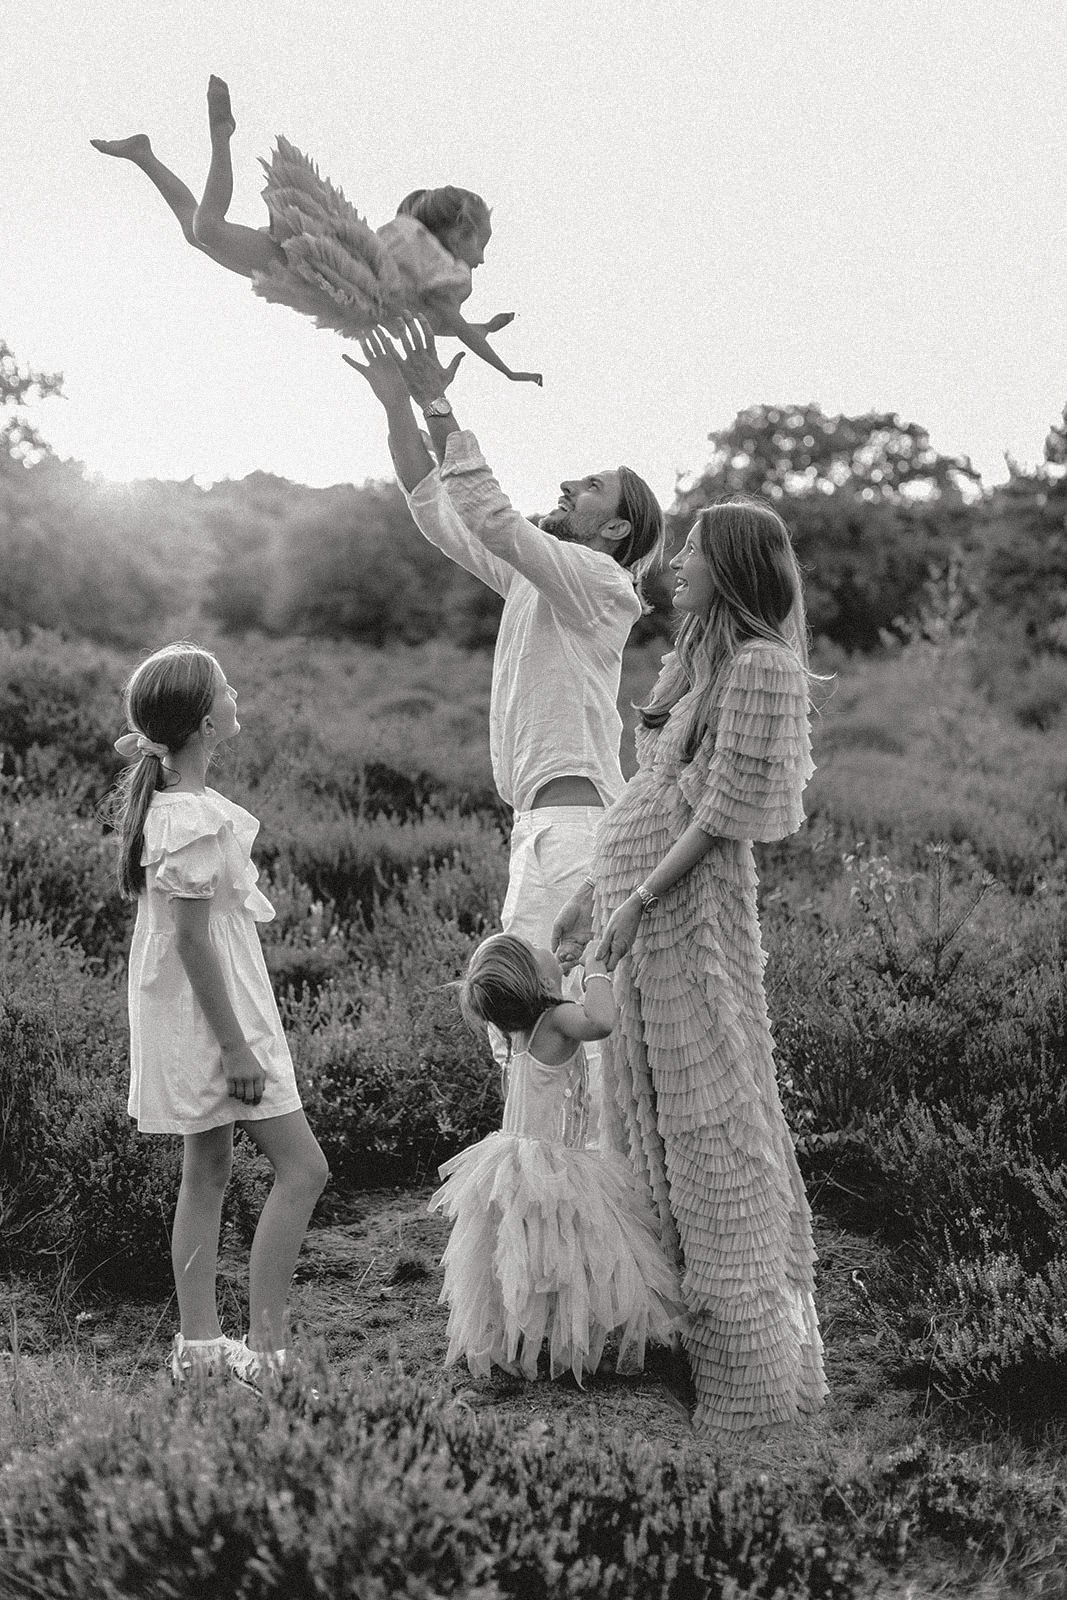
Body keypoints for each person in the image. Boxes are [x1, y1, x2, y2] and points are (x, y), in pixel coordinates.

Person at [551, 502, 829, 1436]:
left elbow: (718, 819)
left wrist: (636, 901)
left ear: (735, 566)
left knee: (714, 1128)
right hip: (639, 925)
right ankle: (671, 1339)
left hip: (687, 930)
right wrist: (594, 894)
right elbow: (651, 791)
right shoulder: (703, 658)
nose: (676, 564)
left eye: (695, 553)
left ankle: (746, 1377)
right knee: (646, 1124)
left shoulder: (761, 668)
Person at [344, 315, 664, 1103]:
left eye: (589, 487)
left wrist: (442, 406)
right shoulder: (538, 578)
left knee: (564, 1042)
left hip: (574, 838)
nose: (567, 486)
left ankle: (581, 1206)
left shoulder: (600, 584)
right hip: (538, 830)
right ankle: (543, 1187)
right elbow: (435, 508)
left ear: (616, 528)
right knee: (521, 1031)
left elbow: (492, 516)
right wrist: (401, 405)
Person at [108, 641, 329, 1387]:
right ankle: (266, 1355)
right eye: (228, 689)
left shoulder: (172, 805)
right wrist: (237, 1048)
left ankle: (200, 1354)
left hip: (188, 1011)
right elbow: (194, 942)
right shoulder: (189, 819)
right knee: (303, 1168)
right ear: (206, 722)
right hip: (216, 1017)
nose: (238, 696)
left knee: (207, 1170)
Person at [91, 76, 541, 384]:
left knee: (198, 234)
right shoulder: (443, 272)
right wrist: (507, 371)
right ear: (460, 231)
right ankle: (222, 133)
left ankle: (143, 155)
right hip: (312, 266)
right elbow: (450, 326)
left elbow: (429, 322)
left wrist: (482, 325)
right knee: (207, 228)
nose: (481, 258)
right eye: (480, 244)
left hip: (309, 268)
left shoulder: (418, 255)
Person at [429, 933, 683, 1382]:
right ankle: (579, 1345)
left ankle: (531, 1341)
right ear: (536, 979)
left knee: (529, 1260)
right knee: (580, 1252)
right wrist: (598, 967)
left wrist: (560, 971)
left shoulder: (524, 1024)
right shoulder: (559, 1018)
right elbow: (601, 1021)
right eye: (532, 950)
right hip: (551, 1164)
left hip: (516, 1155)